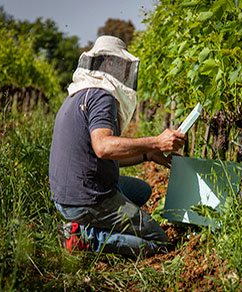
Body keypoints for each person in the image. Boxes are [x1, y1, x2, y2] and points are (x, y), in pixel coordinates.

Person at [49, 35, 185, 257]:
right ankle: (85, 237)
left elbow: (98, 155)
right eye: (120, 63)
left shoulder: (78, 93)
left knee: (142, 191)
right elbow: (103, 147)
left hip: (66, 196)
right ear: (110, 63)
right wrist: (156, 141)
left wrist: (147, 155)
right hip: (87, 198)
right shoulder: (102, 95)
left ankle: (86, 225)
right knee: (158, 241)